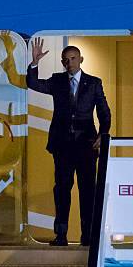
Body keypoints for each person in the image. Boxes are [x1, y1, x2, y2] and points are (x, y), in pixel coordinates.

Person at [27, 38, 111, 246]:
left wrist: (103, 133)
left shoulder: (93, 83)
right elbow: (33, 83)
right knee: (62, 190)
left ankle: (88, 236)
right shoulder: (56, 80)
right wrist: (34, 64)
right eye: (65, 60)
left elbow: (104, 112)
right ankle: (61, 235)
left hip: (86, 145)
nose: (69, 63)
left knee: (87, 191)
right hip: (62, 145)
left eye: (73, 59)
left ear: (81, 59)